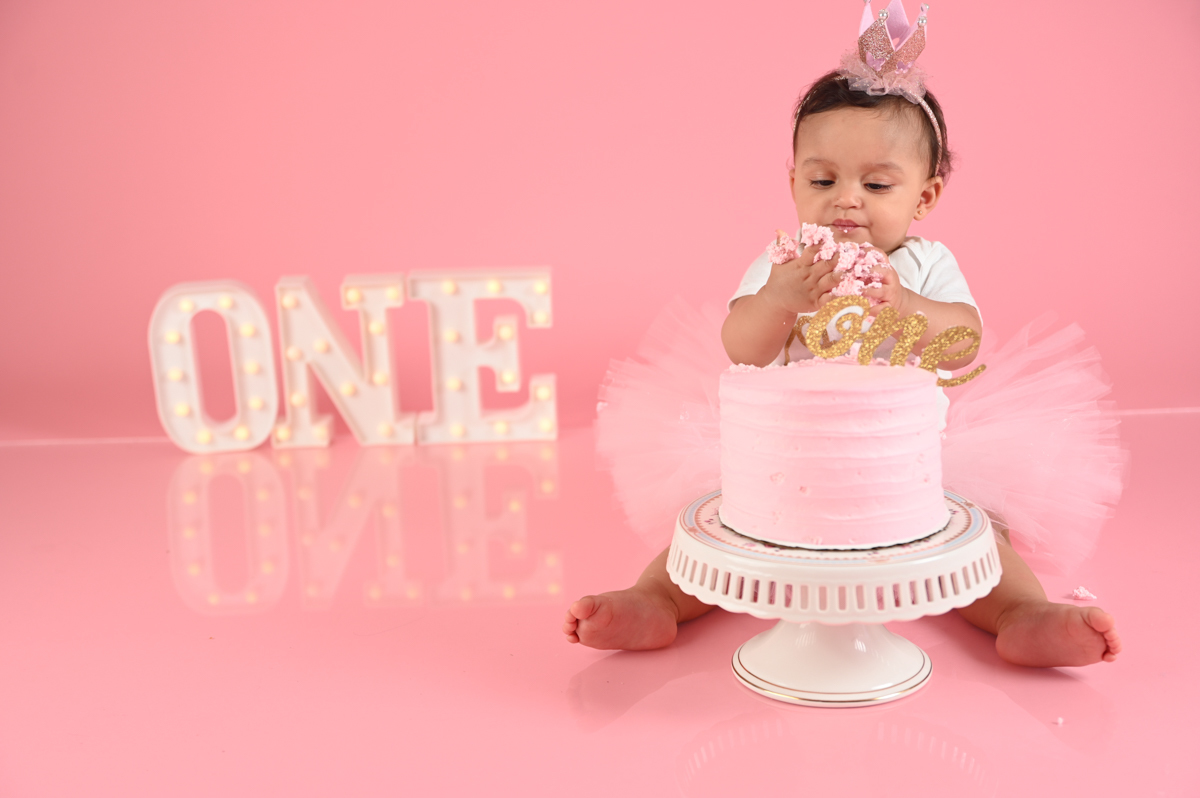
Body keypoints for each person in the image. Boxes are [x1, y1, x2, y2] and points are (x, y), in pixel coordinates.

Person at [562, 13, 1124, 667]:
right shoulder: (789, 261)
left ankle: (1020, 613)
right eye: (823, 180)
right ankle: (655, 599)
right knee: (725, 524)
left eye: (878, 184)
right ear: (793, 182)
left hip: (909, 462)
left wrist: (907, 305)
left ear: (925, 195)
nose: (847, 201)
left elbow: (964, 342)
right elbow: (741, 347)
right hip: (787, 458)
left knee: (970, 536)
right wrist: (780, 300)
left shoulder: (924, 264)